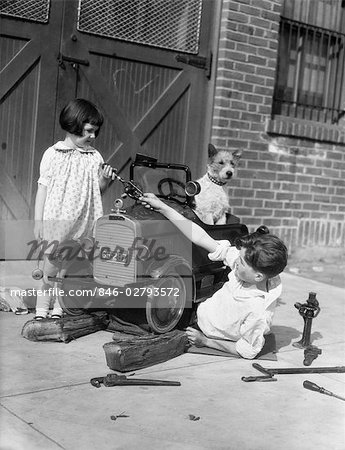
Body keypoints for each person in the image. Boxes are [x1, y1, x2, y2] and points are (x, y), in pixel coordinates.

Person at [139, 193, 288, 359]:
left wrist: (205, 341)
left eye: (242, 262)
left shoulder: (257, 312)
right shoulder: (248, 270)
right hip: (202, 313)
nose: (236, 261)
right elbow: (201, 237)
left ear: (259, 276)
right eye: (238, 256)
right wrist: (162, 207)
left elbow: (248, 351)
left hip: (207, 332)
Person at [33, 98, 115, 319]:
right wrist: (38, 222)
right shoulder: (53, 154)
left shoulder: (93, 156)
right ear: (73, 125)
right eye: (89, 131)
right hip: (57, 221)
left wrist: (105, 180)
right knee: (50, 266)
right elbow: (42, 189)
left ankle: (60, 308)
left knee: (67, 270)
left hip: (83, 222)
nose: (93, 137)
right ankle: (42, 308)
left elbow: (97, 190)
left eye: (95, 132)